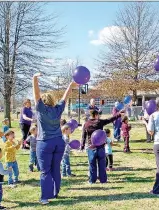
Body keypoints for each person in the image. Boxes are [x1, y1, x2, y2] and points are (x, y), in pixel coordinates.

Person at [32, 72, 75, 205]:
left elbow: (36, 95)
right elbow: (65, 97)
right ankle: (55, 193)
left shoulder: (40, 109)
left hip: (44, 143)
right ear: (52, 101)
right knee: (55, 168)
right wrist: (71, 85)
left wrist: (34, 79)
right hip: (58, 142)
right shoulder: (58, 109)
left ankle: (45, 197)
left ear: (43, 102)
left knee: (45, 171)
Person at [82, 109, 124, 184]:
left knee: (92, 165)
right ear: (95, 115)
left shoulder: (86, 124)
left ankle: (92, 180)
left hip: (91, 147)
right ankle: (103, 180)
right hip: (101, 147)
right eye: (98, 115)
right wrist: (119, 115)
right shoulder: (100, 122)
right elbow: (110, 119)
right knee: (102, 165)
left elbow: (83, 136)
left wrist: (82, 146)